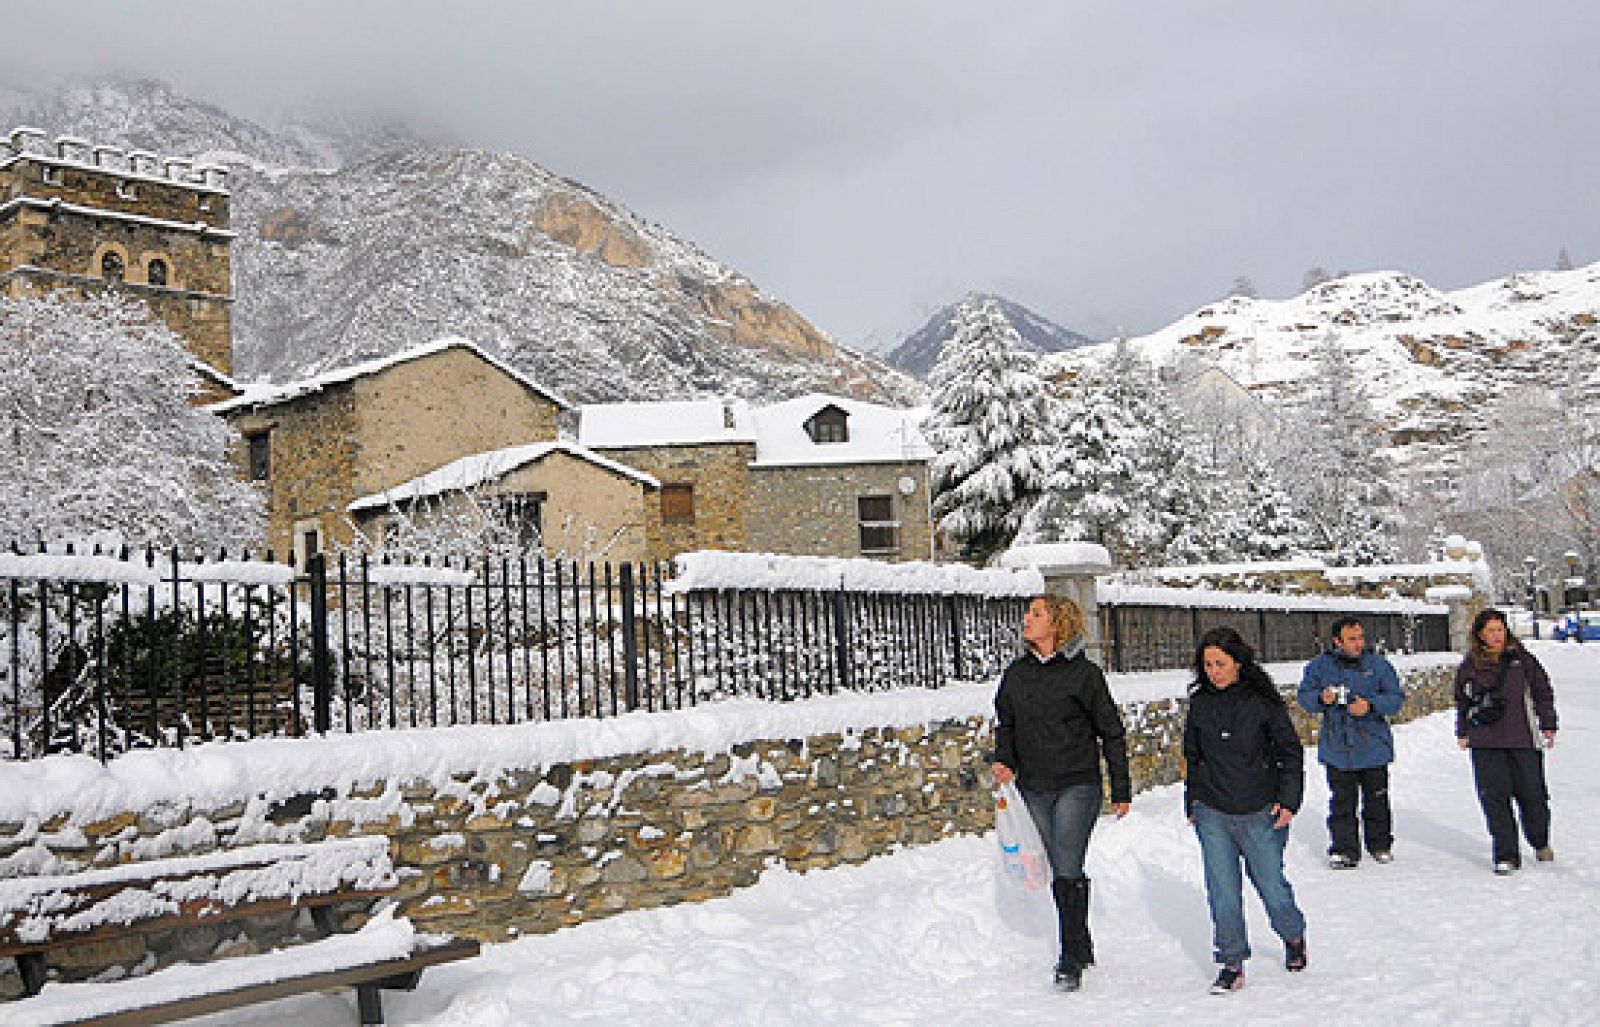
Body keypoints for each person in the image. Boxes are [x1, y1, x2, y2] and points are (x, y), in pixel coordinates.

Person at [992, 594, 1132, 993]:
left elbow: (1111, 732)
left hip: (1078, 784)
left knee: (1068, 865)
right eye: (1029, 613)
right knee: (1057, 866)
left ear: (1058, 624)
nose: (1027, 619)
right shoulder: (1016, 674)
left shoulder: (1084, 675)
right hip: (1034, 786)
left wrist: (1120, 788)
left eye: (1037, 614)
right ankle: (1081, 940)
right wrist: (1005, 760)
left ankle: (1070, 957)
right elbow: (1007, 725)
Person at [1184, 626, 1307, 995]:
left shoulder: (1262, 702)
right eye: (1207, 665)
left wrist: (1288, 801)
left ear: (1238, 663)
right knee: (1222, 891)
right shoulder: (1201, 704)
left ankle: (1293, 935)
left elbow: (1290, 753)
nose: (1214, 672)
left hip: (1260, 812)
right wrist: (1193, 799)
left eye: (1220, 664)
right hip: (1213, 812)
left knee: (1271, 887)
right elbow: (1193, 755)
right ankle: (1231, 962)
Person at [1455, 607, 1559, 875]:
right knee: (1495, 799)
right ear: (1479, 635)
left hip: (1522, 738)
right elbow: (1463, 701)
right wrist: (1463, 731)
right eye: (1490, 631)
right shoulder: (1470, 665)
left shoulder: (1522, 661)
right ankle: (1506, 854)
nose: (1496, 635)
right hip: (1485, 741)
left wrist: (1548, 723)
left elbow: (1542, 691)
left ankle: (1539, 839)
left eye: (1500, 629)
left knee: (1533, 796)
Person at [1297, 616, 1405, 868]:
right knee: (1342, 802)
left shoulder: (1379, 666)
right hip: (1337, 746)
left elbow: (1396, 699)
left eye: (1360, 638)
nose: (1358, 644)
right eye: (1352, 639)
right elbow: (1304, 697)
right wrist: (1322, 699)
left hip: (1373, 745)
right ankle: (1344, 850)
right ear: (1337, 641)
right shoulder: (1319, 667)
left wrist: (1370, 706)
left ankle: (1380, 844)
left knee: (1377, 800)